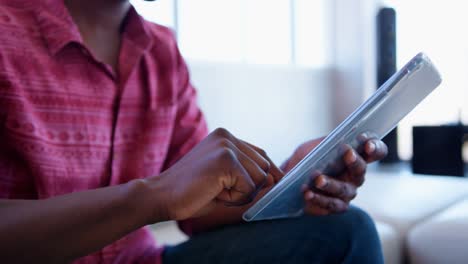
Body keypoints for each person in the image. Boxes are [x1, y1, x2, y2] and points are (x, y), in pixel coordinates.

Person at [0, 0, 388, 263]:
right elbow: (167, 196)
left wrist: (290, 184)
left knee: (346, 232)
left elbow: (197, 211)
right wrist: (153, 196)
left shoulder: (161, 51)